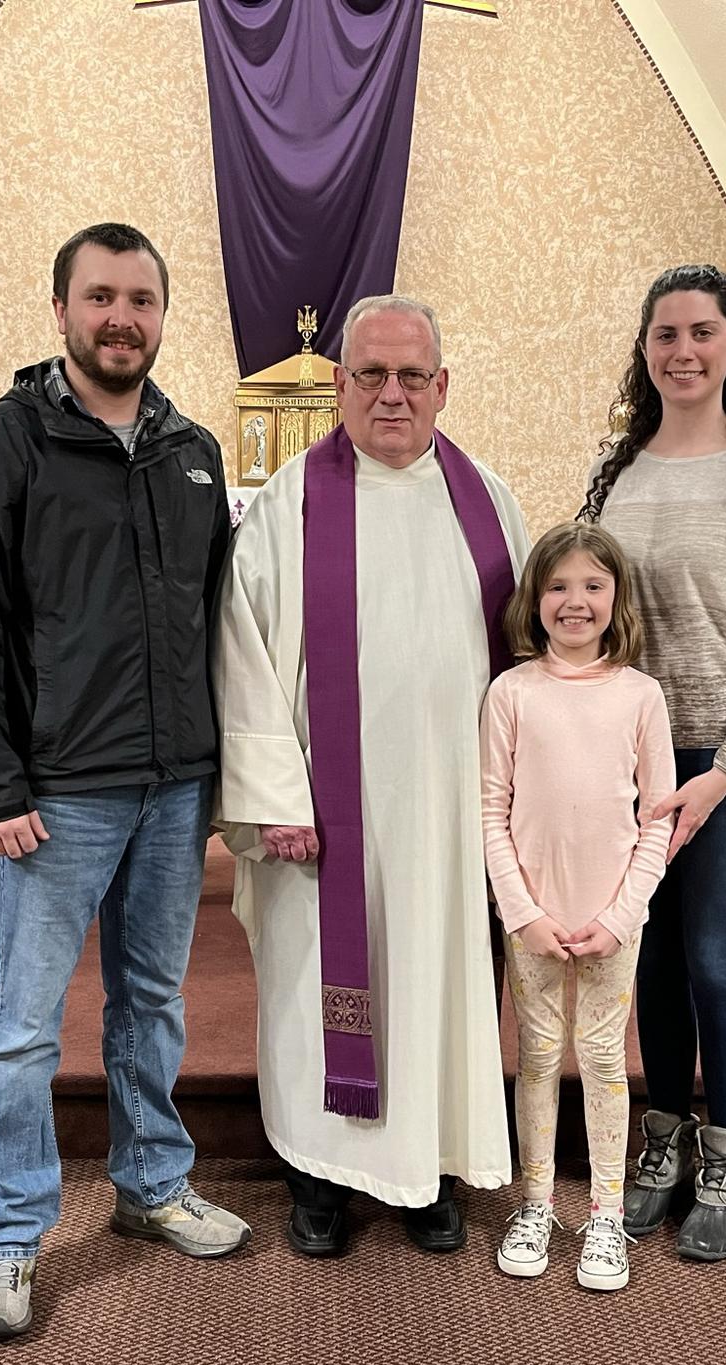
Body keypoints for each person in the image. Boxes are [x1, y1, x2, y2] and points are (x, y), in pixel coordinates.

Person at [0, 222, 251, 1343]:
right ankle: (8, 1238)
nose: (122, 318)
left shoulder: (193, 451)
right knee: (23, 1026)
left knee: (152, 1002)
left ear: (163, 316)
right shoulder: (3, 443)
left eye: (141, 300)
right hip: (56, 792)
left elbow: (218, 624)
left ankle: (152, 1186)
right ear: (61, 308)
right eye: (101, 297)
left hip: (173, 785)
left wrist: (219, 773)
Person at [212, 294, 530, 1258]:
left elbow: (531, 660)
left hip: (453, 815)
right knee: (319, 986)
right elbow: (242, 658)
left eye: (412, 376)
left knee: (440, 981)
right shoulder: (288, 505)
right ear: (340, 385)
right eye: (371, 375)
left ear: (444, 385)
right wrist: (274, 801)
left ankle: (429, 1170)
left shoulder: (491, 504)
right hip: (325, 818)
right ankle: (319, 1176)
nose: (392, 394)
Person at [580, 264, 726, 1264]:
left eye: (702, 332)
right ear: (645, 348)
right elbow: (587, 604)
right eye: (665, 335)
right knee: (654, 962)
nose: (683, 352)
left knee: (715, 961)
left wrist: (723, 772)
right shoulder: (615, 471)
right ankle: (664, 1140)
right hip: (633, 759)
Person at [481, 521, 674, 1290]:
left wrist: (620, 918)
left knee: (600, 1059)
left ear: (616, 597)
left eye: (593, 585)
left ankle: (604, 1214)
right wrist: (522, 913)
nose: (575, 601)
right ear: (535, 598)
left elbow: (657, 821)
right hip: (533, 918)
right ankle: (535, 1205)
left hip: (611, 920)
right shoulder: (512, 693)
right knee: (535, 1056)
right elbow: (491, 812)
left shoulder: (640, 696)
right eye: (558, 585)